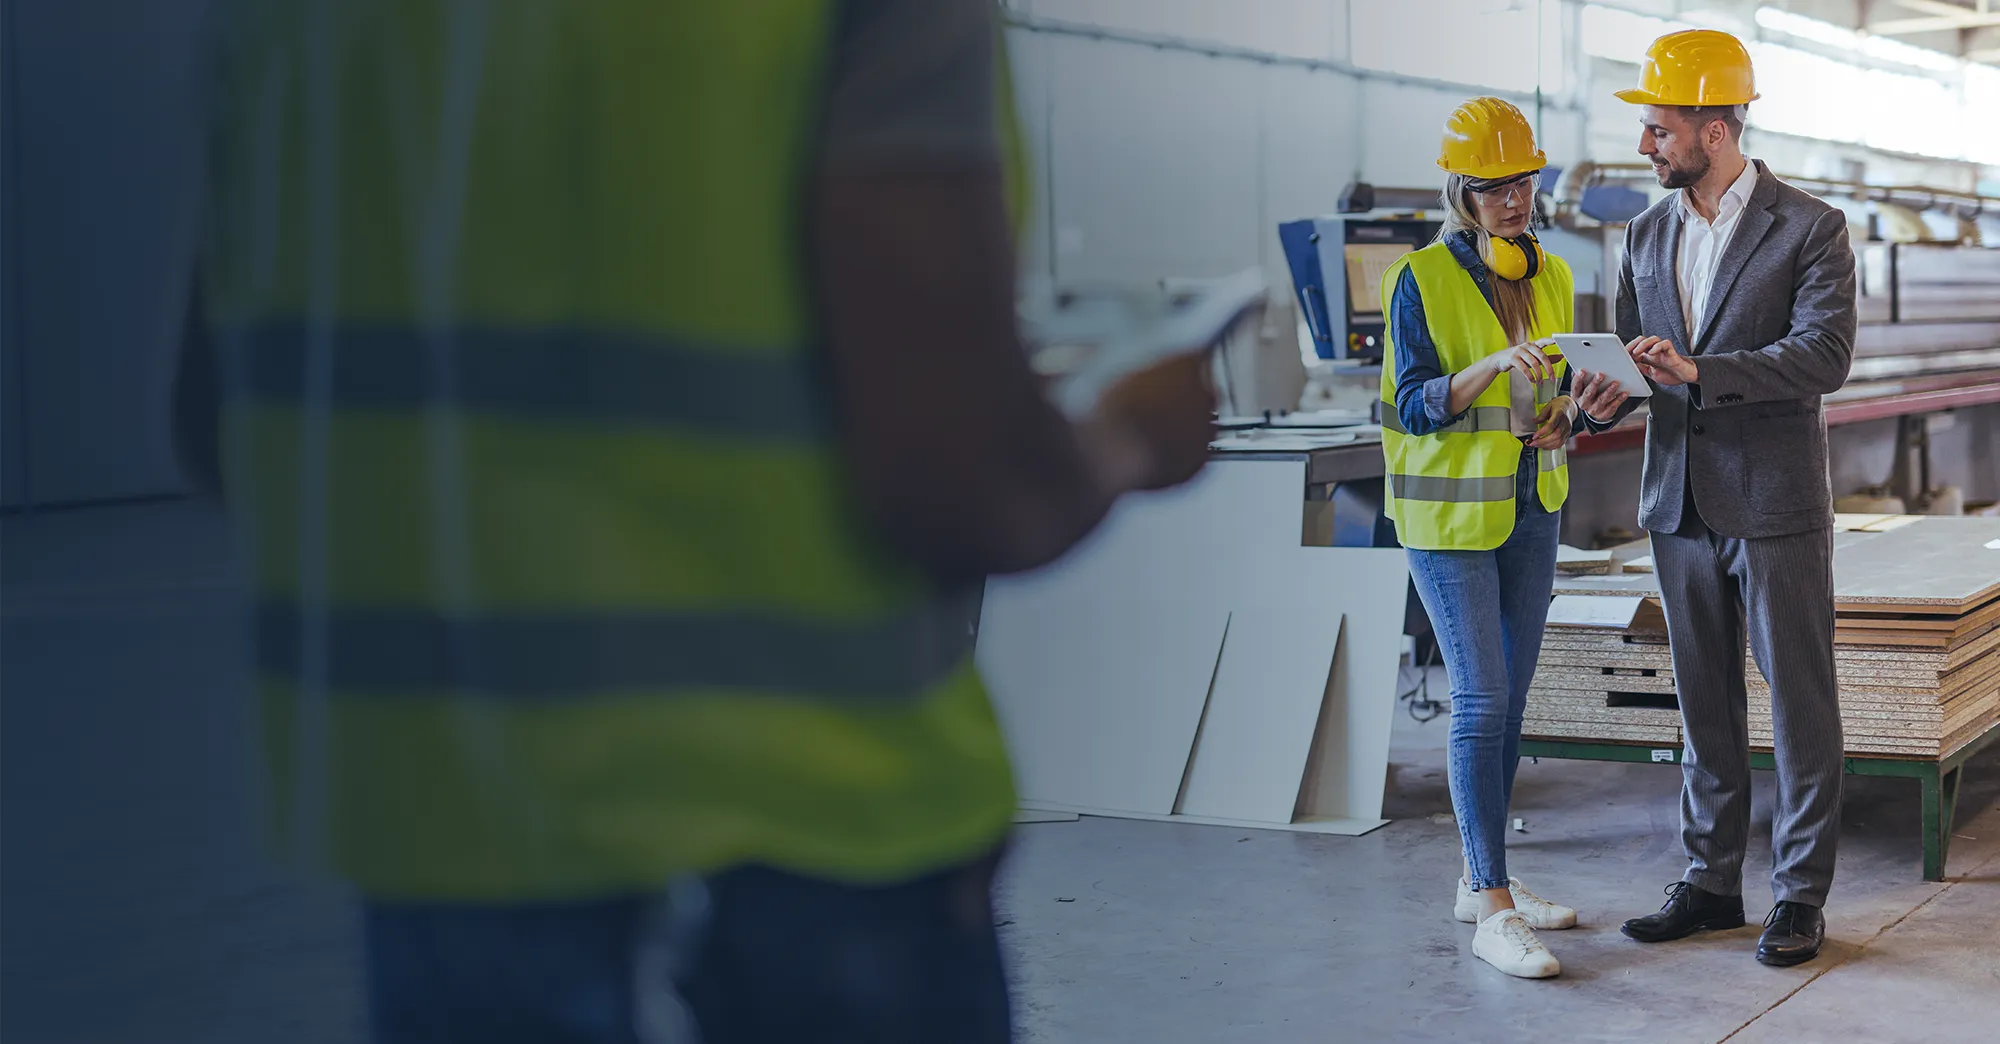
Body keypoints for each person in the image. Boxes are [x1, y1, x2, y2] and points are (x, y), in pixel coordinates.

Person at [189, 1, 1216, 1040]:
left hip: (442, 840)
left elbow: (216, 421)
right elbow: (958, 476)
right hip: (805, 836)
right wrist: (1132, 431)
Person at [1604, 29, 1856, 967]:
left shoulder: (1809, 227)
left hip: (1774, 499)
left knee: (1799, 705)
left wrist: (1703, 370)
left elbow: (1824, 357)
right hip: (1678, 499)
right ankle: (1711, 882)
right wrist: (1597, 395)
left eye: (1657, 130)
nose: (1645, 147)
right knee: (1704, 704)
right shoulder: (1644, 233)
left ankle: (1799, 895)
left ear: (1714, 130)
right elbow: (1633, 361)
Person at [1379, 96, 1630, 980]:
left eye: (1523, 183)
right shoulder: (1418, 278)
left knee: (1513, 702)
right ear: (1461, 193)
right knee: (1480, 700)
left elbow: (1558, 389)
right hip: (1448, 517)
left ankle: (1482, 879)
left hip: (1532, 503)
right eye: (1494, 189)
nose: (1514, 201)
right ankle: (1491, 904)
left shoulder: (1551, 274)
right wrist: (1485, 367)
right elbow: (1411, 404)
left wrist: (1570, 417)